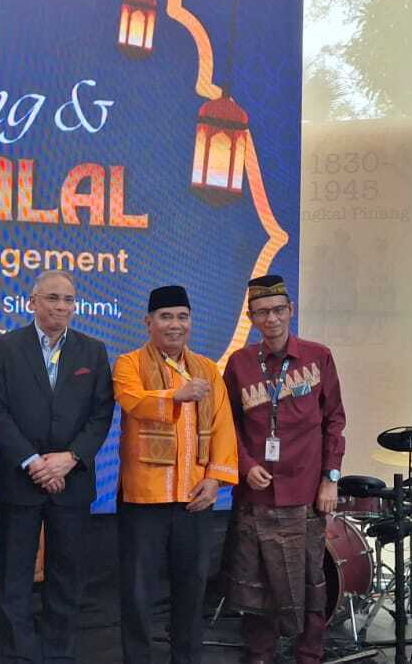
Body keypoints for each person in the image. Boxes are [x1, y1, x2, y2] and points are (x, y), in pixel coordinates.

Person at [0, 270, 115, 663]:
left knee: (66, 577)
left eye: (68, 300)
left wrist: (70, 459)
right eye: (53, 298)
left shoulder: (93, 351)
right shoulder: (3, 348)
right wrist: (33, 462)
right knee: (14, 578)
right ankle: (18, 656)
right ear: (32, 302)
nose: (61, 306)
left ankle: (59, 655)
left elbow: (101, 414)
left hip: (72, 482)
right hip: (18, 481)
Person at [221, 274, 346, 664]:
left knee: (309, 579)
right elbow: (226, 425)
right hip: (256, 493)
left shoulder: (318, 357)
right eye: (262, 312)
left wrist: (330, 478)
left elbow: (334, 421)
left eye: (278, 310)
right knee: (255, 583)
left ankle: (309, 654)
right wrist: (245, 465)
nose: (271, 319)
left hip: (306, 492)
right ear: (251, 317)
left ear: (290, 310)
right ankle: (260, 655)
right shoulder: (239, 364)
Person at [113, 285, 239, 664]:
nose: (175, 324)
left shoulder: (207, 369)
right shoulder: (129, 364)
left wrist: (215, 479)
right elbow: (132, 401)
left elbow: (223, 427)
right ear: (148, 322)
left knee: (192, 589)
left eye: (182, 317)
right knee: (138, 592)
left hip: (195, 499)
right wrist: (175, 396)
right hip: (144, 499)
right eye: (166, 317)